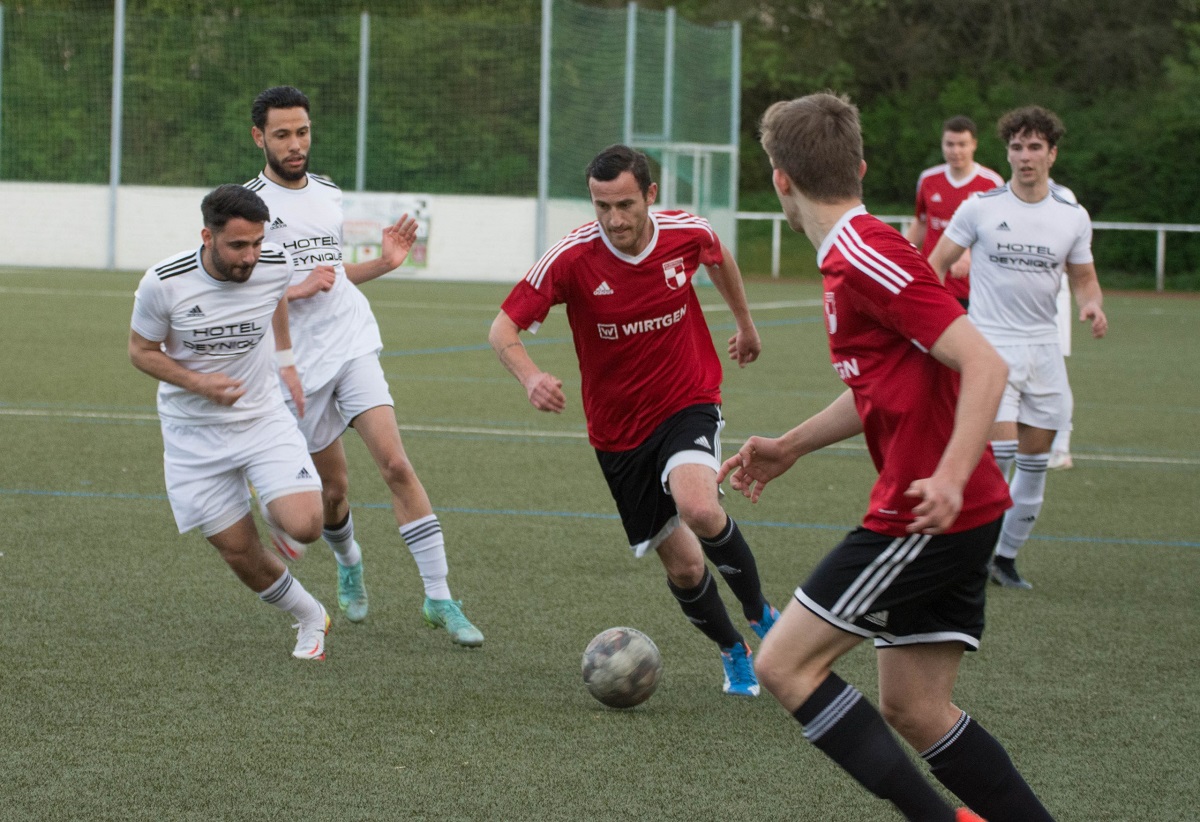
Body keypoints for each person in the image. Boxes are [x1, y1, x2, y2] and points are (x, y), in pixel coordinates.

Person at [720, 92, 1054, 821]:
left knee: (783, 663)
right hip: (954, 507)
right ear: (861, 167)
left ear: (780, 180)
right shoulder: (852, 256)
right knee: (916, 707)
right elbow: (883, 383)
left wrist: (953, 473)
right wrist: (791, 446)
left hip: (930, 510)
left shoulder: (867, 254)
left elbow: (985, 365)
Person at [488, 144, 778, 696]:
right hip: (618, 433)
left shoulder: (685, 232)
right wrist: (530, 377)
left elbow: (718, 257)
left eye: (624, 204)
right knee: (686, 569)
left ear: (650, 194)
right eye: (602, 207)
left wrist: (746, 324)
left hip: (687, 396)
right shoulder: (571, 259)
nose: (614, 220)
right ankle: (732, 650)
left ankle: (762, 613)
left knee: (698, 504)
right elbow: (502, 329)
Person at [245, 85, 483, 645]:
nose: (295, 143)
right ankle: (349, 560)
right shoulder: (249, 206)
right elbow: (244, 289)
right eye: (282, 134)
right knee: (333, 493)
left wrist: (384, 261)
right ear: (259, 137)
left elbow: (332, 273)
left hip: (351, 343)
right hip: (297, 367)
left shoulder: (327, 191)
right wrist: (296, 290)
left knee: (396, 464)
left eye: (302, 131)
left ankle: (440, 599)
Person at [129, 184, 331, 661]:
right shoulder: (163, 283)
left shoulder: (273, 264)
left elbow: (276, 296)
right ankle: (309, 616)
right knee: (240, 553)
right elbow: (140, 352)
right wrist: (200, 385)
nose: (250, 257)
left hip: (261, 417)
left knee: (305, 526)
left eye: (258, 243)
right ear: (207, 236)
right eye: (238, 245)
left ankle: (273, 505)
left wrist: (285, 361)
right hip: (192, 433)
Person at [929, 106, 1107, 589]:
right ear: (1006, 152)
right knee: (999, 450)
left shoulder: (1072, 217)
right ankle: (963, 553)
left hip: (1044, 352)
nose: (1024, 157)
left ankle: (1004, 559)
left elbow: (1085, 279)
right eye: (1016, 147)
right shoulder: (982, 207)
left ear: (1052, 153)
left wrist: (1093, 306)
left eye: (1034, 147)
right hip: (991, 349)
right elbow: (935, 265)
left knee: (1034, 463)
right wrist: (942, 324)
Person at [904, 116, 1005, 309]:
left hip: (975, 288)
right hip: (934, 283)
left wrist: (968, 252)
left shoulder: (992, 183)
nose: (955, 151)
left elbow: (999, 235)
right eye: (949, 144)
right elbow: (921, 223)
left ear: (974, 144)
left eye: (962, 144)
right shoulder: (928, 179)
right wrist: (902, 254)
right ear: (942, 144)